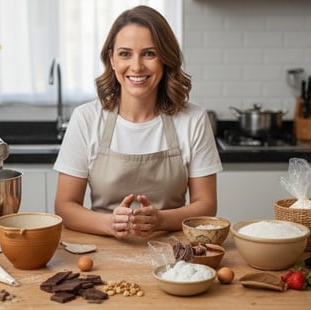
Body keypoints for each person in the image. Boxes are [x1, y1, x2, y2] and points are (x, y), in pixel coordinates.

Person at [54, 5, 222, 240]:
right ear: (111, 59)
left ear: (165, 59)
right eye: (125, 54)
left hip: (173, 251)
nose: (136, 66)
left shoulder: (193, 119)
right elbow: (65, 206)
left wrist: (162, 220)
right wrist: (109, 223)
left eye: (149, 53)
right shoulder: (86, 118)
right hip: (101, 248)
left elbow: (206, 205)